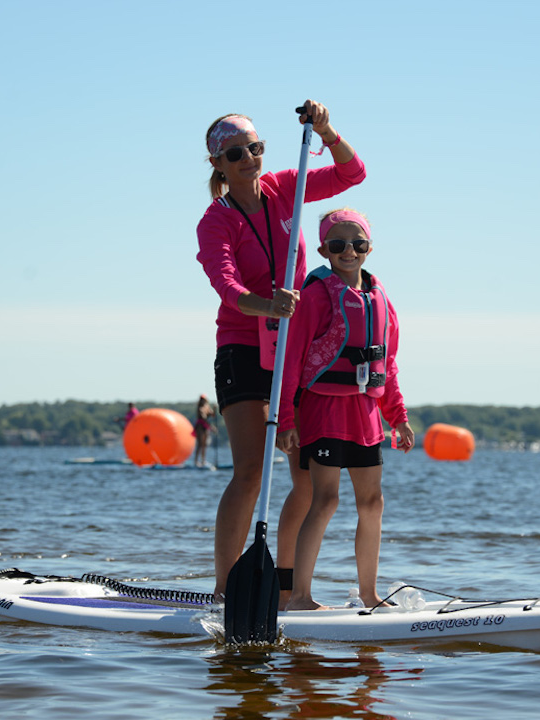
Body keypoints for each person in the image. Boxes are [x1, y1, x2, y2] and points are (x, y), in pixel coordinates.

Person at [196, 100, 366, 604]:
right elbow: (226, 286)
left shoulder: (284, 188)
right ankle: (227, 591)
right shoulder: (215, 221)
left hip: (295, 350)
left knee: (308, 481)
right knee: (251, 471)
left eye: (254, 148)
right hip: (243, 347)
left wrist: (326, 129)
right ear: (218, 165)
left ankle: (290, 592)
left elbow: (352, 173)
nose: (248, 158)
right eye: (235, 153)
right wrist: (265, 303)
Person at [275, 208, 414, 610]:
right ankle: (300, 596)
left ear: (369, 247)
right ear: (324, 249)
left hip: (366, 415)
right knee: (326, 499)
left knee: (373, 502)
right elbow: (291, 362)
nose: (348, 251)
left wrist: (398, 417)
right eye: (338, 245)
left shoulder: (380, 298)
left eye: (358, 243)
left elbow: (387, 364)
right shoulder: (316, 295)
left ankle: (369, 594)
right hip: (323, 411)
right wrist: (286, 420)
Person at [193, 395, 215, 468]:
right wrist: (211, 427)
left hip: (205, 427)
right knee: (200, 444)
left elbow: (213, 415)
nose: (203, 401)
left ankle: (203, 461)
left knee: (204, 445)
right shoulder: (200, 408)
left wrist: (214, 408)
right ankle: (196, 461)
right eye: (202, 400)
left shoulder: (207, 408)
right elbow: (203, 418)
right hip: (200, 427)